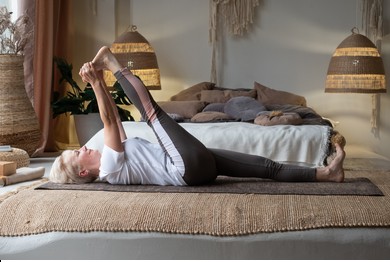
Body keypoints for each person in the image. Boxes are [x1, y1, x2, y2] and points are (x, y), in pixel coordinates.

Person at [50, 46, 345, 185]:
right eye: (78, 153)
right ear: (85, 172)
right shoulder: (110, 170)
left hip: (194, 166)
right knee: (151, 113)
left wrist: (98, 84)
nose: (84, 146)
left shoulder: (114, 156)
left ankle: (326, 174)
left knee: (264, 167)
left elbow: (113, 117)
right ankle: (114, 61)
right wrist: (97, 80)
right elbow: (110, 121)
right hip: (185, 167)